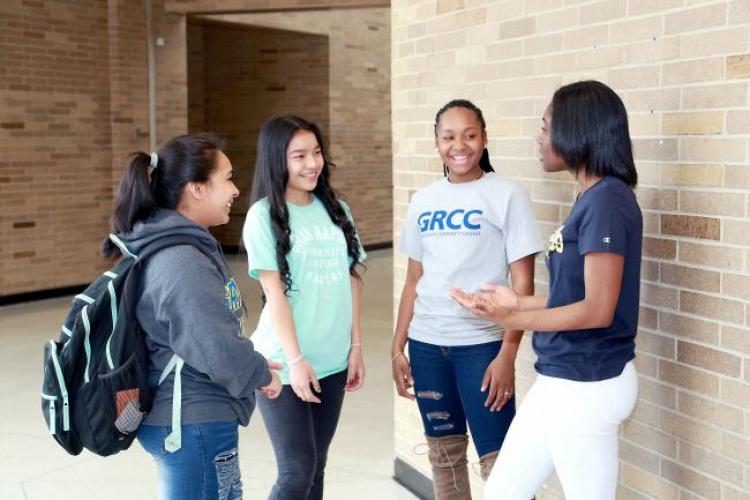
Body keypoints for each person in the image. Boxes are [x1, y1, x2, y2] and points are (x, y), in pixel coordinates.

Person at [451, 80, 642, 500]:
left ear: (577, 130)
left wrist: (513, 319)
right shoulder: (592, 198)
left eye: (545, 126)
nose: (539, 138)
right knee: (502, 491)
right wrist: (516, 301)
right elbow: (574, 297)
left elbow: (597, 309)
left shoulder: (607, 201)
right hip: (562, 381)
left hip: (587, 385)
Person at [102, 133, 282, 500]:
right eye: (228, 178)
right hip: (192, 422)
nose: (235, 190)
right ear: (197, 189)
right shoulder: (182, 261)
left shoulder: (183, 248)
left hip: (192, 420)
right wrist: (258, 373)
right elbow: (213, 345)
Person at [391, 99, 543, 499]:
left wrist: (508, 354)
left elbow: (522, 289)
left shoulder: (507, 195)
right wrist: (397, 347)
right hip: (426, 346)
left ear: (485, 138)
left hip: (482, 348)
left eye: (470, 135)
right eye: (448, 137)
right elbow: (413, 281)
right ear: (437, 142)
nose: (459, 145)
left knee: (502, 468)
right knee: (444, 461)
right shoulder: (424, 200)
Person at [242, 115, 366, 500]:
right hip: (283, 361)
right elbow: (274, 294)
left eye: (316, 153)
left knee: (317, 466)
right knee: (296, 473)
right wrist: (296, 360)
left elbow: (352, 278)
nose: (312, 163)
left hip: (332, 358)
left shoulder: (337, 209)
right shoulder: (262, 215)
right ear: (277, 160)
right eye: (299, 156)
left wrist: (355, 346)